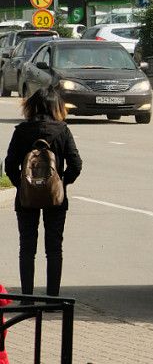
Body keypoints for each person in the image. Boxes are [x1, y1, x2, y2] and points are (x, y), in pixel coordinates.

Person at [4, 87, 82, 298]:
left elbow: (9, 165)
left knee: (27, 248)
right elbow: (76, 164)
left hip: (26, 198)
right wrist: (62, 183)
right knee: (54, 248)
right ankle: (52, 299)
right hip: (55, 199)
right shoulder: (62, 130)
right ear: (56, 107)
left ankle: (27, 299)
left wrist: (22, 186)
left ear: (32, 106)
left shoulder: (21, 131)